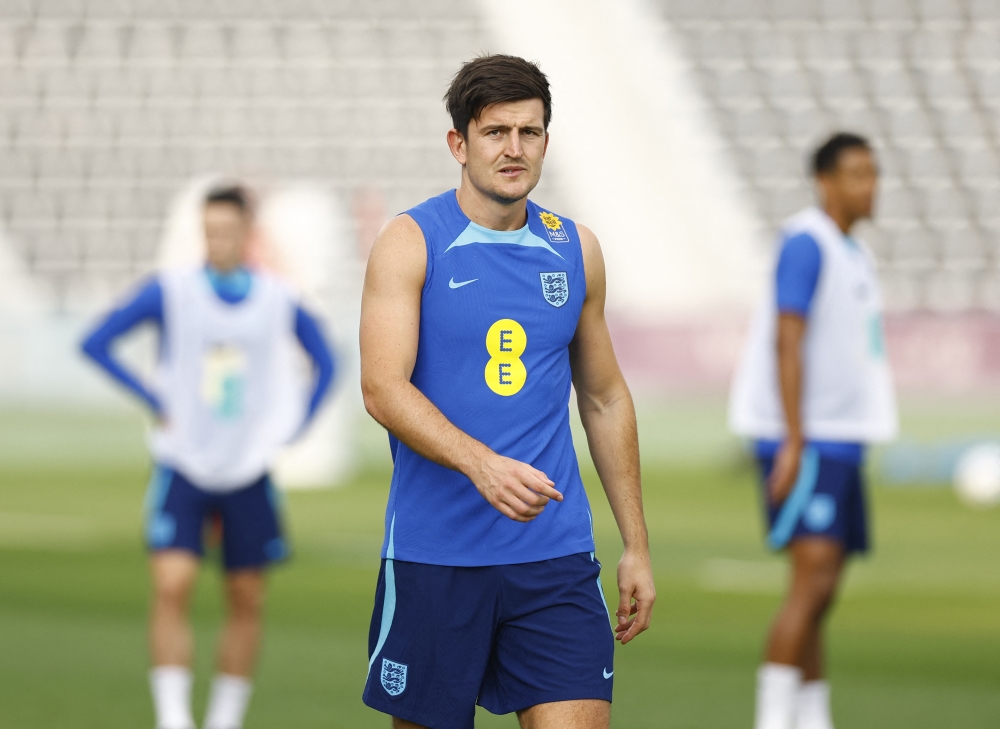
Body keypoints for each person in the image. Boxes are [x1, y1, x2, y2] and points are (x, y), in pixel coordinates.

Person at [358, 55, 656, 729]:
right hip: (437, 556)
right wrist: (481, 464)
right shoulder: (411, 242)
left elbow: (605, 398)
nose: (514, 148)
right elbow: (381, 387)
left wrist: (635, 542)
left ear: (547, 139)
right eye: (496, 132)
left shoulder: (576, 249)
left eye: (530, 131)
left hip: (554, 558)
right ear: (459, 144)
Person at [81, 185, 335, 729]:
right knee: (172, 586)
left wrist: (298, 424)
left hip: (248, 469)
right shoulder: (171, 291)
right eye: (208, 230)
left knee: (246, 599)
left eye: (226, 230)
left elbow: (328, 361)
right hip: (184, 464)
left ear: (248, 233)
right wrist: (154, 400)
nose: (216, 240)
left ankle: (224, 719)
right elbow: (96, 341)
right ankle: (173, 718)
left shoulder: (276, 298)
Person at [729, 133, 898, 729]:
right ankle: (775, 720)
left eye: (873, 173)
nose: (869, 185)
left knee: (823, 590)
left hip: (842, 438)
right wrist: (795, 438)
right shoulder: (808, 242)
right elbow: (787, 336)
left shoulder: (853, 252)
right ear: (825, 182)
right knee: (812, 580)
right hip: (809, 438)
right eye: (856, 174)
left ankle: (813, 717)